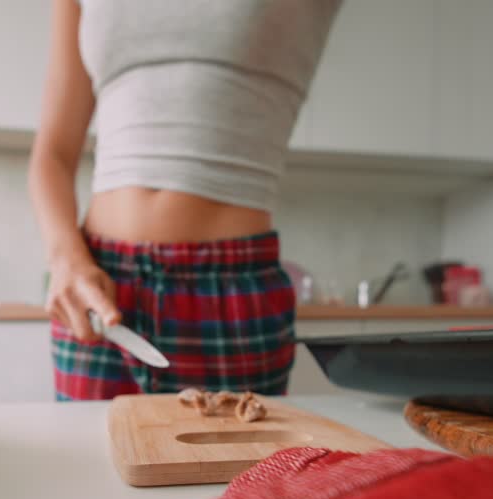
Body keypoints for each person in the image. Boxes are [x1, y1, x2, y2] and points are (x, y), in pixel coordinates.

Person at [29, 0, 343, 400]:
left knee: (241, 464)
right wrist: (66, 261)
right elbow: (52, 154)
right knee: (82, 459)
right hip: (99, 285)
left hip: (230, 294)